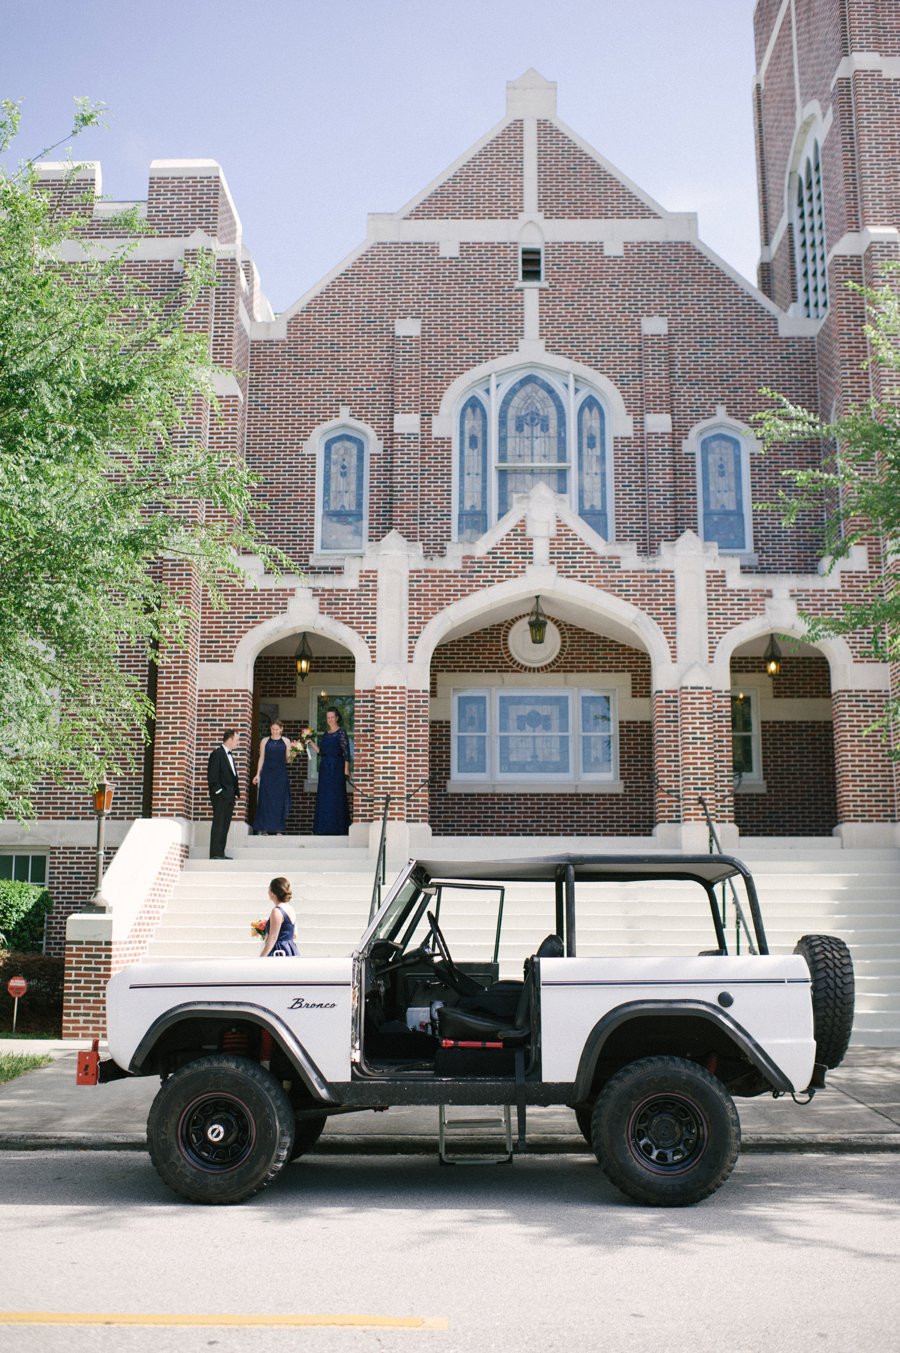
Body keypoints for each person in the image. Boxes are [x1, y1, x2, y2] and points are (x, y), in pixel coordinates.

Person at [308, 706, 351, 835]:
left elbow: (346, 753)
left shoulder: (341, 733)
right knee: (325, 797)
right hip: (325, 767)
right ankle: (324, 829)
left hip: (337, 767)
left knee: (336, 796)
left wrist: (346, 770)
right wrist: (310, 743)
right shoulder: (326, 734)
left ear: (337, 718)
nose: (330, 719)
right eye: (328, 717)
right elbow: (321, 752)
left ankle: (338, 829)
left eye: (332, 717)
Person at [252, 719, 292, 835]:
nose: (274, 731)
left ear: (281, 729)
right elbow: (261, 758)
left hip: (280, 774)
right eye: (272, 729)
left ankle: (278, 829)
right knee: (266, 800)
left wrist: (293, 752)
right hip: (267, 774)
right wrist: (257, 774)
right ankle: (264, 828)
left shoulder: (286, 741)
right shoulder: (265, 741)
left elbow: (288, 760)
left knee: (279, 801)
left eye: (276, 729)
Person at [207, 728, 240, 860]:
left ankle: (221, 853)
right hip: (221, 796)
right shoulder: (217, 754)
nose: (238, 743)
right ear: (230, 740)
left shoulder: (230, 755)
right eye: (237, 740)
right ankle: (215, 853)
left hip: (230, 796)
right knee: (219, 823)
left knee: (225, 824)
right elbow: (212, 776)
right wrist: (219, 792)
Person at [259, 876, 298, 957]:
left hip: (279, 951)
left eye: (269, 889)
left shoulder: (277, 911)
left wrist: (262, 957)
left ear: (273, 893)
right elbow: (295, 934)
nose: (268, 892)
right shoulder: (290, 908)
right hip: (290, 949)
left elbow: (273, 938)